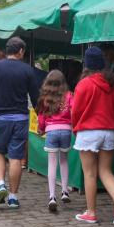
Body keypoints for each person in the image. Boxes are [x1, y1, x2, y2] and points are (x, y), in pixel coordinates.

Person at [71, 46, 114, 225]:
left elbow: (76, 111)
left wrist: (75, 128)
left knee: (90, 174)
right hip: (109, 131)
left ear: (86, 64)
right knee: (106, 171)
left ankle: (91, 212)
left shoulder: (83, 84)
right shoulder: (113, 85)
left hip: (88, 131)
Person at [0, 36, 40, 209]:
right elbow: (35, 98)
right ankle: (14, 197)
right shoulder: (28, 70)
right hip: (21, 119)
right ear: (21, 51)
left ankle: (1, 183)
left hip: (0, 117)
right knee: (15, 157)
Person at [37, 69, 73, 212]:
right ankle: (65, 191)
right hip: (66, 131)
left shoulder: (45, 97)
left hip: (51, 131)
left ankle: (52, 196)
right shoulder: (69, 96)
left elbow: (41, 116)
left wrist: (41, 128)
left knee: (51, 164)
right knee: (64, 160)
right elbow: (73, 111)